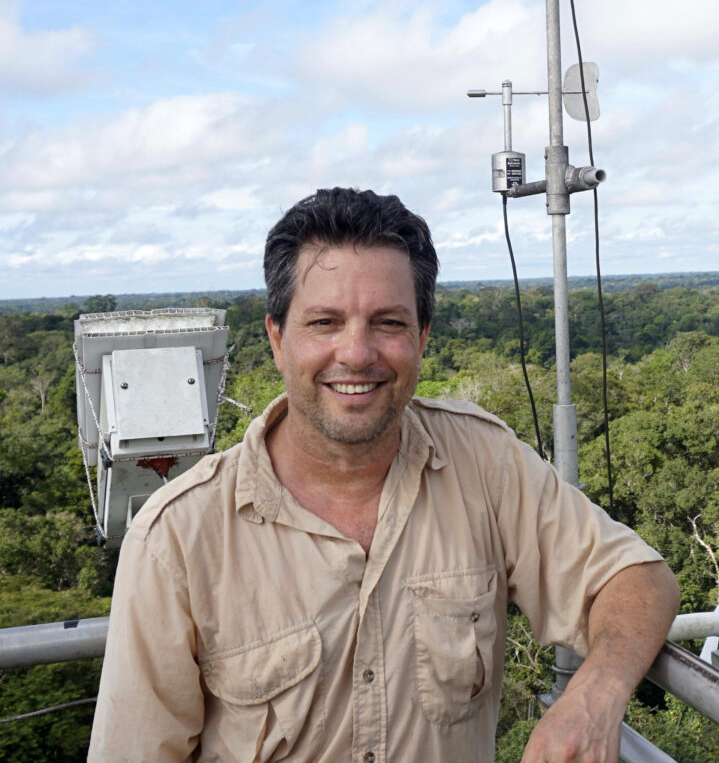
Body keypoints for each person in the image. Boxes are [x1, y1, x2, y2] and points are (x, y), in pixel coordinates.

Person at [88, 187, 679, 763]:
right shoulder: (177, 538)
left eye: (388, 323)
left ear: (421, 337)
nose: (357, 353)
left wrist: (594, 696)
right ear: (276, 338)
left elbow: (638, 580)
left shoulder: (484, 463)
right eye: (324, 322)